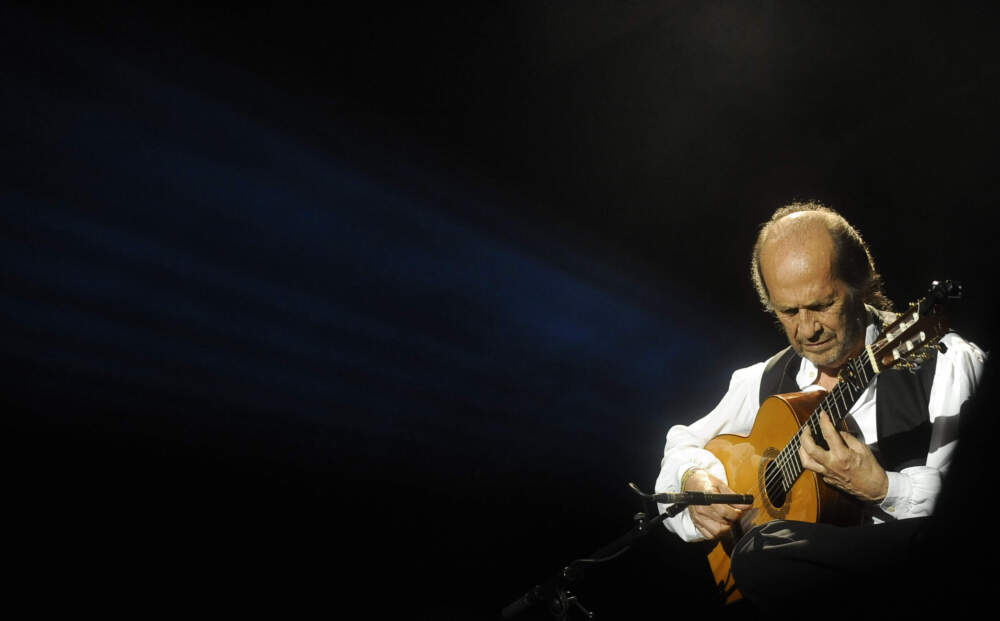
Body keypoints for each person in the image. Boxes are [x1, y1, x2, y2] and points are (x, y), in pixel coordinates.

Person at [653, 202, 986, 612]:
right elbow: (680, 445)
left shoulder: (947, 365)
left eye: (822, 305)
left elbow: (975, 511)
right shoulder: (764, 379)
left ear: (860, 283)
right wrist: (695, 483)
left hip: (919, 586)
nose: (807, 329)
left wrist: (884, 489)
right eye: (788, 312)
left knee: (762, 554)